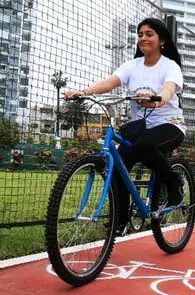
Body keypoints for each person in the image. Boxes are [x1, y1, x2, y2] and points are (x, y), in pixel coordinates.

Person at [64, 18, 186, 232]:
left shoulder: (170, 66)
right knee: (118, 166)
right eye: (140, 34)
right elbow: (110, 82)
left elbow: (168, 89)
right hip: (141, 127)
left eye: (149, 34)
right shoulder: (132, 66)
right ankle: (119, 221)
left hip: (170, 124)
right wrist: (83, 92)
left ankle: (173, 181)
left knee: (145, 146)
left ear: (162, 40)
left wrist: (159, 97)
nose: (143, 38)